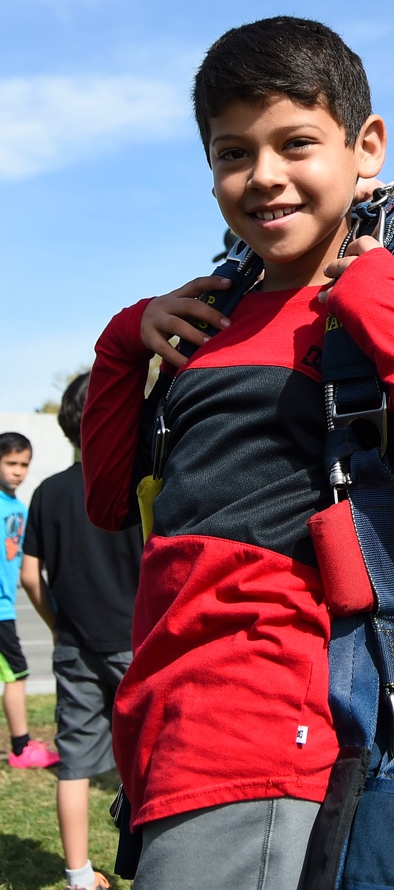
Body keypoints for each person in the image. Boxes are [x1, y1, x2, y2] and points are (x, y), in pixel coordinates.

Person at [79, 15, 394, 890]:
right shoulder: (208, 321)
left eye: (295, 142)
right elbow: (112, 502)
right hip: (165, 734)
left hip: (277, 740)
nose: (263, 176)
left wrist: (385, 308)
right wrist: (123, 345)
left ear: (365, 146)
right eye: (233, 153)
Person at [22, 373, 142, 890]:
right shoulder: (140, 483)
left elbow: (30, 574)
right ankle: (157, 865)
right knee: (154, 761)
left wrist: (57, 625)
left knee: (75, 761)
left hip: (74, 645)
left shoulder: (48, 492)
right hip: (141, 645)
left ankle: (77, 876)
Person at [1, 430, 60, 770]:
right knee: (17, 673)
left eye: (24, 464)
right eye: (11, 463)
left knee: (15, 673)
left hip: (7, 606)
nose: (18, 471)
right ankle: (21, 748)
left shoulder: (19, 508)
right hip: (1, 608)